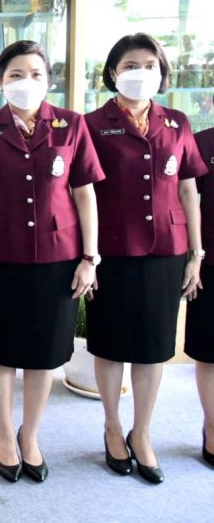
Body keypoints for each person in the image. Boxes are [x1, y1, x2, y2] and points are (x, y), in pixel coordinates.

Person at [0, 40, 104, 483]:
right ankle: (5, 434)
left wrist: (90, 258)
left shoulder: (72, 125)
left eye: (35, 75)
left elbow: (84, 193)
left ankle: (30, 434)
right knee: (1, 349)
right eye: (15, 74)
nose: (25, 82)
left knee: (45, 354)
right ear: (0, 81)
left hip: (58, 256)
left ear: (49, 81)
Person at [84, 33, 206, 485]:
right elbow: (82, 194)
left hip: (166, 249)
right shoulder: (92, 124)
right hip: (112, 250)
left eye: (150, 65)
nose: (141, 73)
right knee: (110, 341)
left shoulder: (177, 122)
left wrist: (196, 253)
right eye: (130, 65)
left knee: (153, 347)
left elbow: (189, 190)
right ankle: (112, 427)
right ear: (113, 72)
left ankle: (143, 432)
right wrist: (87, 256)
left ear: (162, 71)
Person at [185, 126, 214, 469]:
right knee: (209, 352)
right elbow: (188, 197)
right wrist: (195, 255)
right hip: (210, 263)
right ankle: (211, 427)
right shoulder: (204, 142)